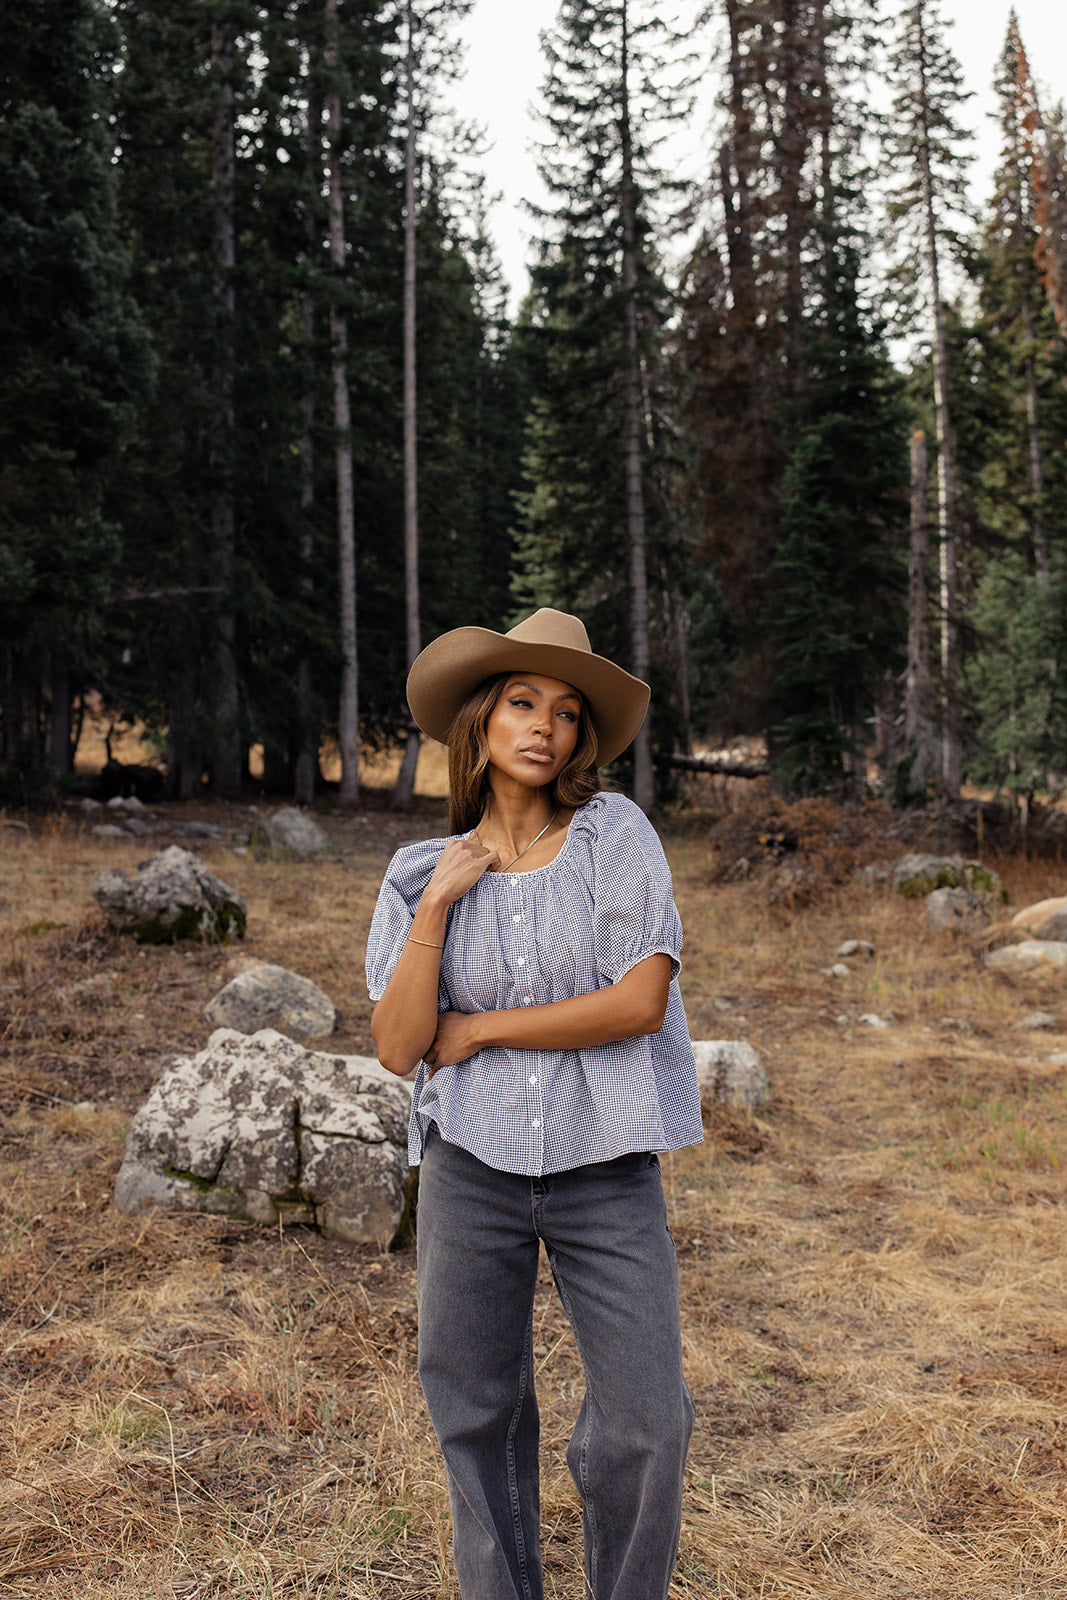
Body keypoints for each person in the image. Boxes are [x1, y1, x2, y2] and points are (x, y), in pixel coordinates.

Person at [365, 608, 703, 1600]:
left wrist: (478, 1032)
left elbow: (638, 1000)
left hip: (606, 1169)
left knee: (649, 1417)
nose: (543, 726)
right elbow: (397, 1046)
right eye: (521, 702)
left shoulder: (611, 837)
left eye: (563, 711)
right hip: (469, 1166)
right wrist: (436, 909)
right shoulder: (417, 874)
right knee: (475, 1409)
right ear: (478, 721)